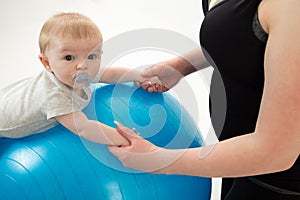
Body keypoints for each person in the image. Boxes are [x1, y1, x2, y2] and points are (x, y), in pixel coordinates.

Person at [109, 0, 300, 199]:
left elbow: (276, 152)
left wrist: (158, 160)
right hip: (239, 164)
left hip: (280, 183)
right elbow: (241, 32)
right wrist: (181, 66)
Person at [0, 12, 158, 147]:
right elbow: (84, 127)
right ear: (47, 63)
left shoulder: (75, 73)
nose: (82, 65)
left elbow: (109, 74)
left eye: (91, 56)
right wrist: (124, 139)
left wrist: (140, 75)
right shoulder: (55, 96)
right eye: (69, 57)